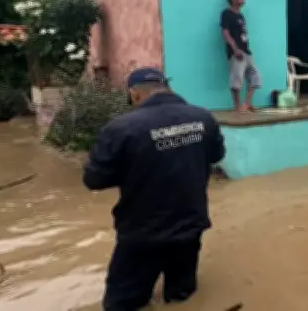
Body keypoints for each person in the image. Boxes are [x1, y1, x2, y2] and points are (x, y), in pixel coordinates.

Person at [83, 67, 226, 311]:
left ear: (134, 94)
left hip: (143, 233)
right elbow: (216, 155)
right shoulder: (203, 118)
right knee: (182, 296)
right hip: (191, 226)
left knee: (123, 304)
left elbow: (94, 180)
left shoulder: (120, 128)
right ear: (167, 87)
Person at [221, 0, 261, 112]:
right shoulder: (227, 13)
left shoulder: (241, 15)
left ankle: (247, 103)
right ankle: (238, 106)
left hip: (246, 51)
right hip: (237, 52)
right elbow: (225, 32)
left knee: (255, 77)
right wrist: (234, 48)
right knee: (236, 79)